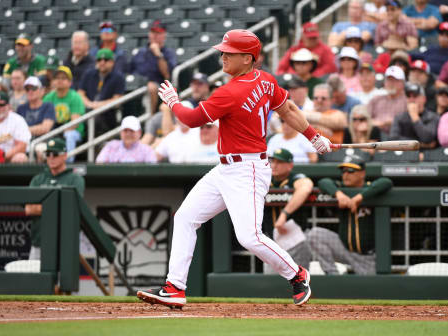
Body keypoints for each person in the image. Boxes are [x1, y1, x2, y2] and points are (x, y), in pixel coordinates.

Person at [136, 29, 332, 309]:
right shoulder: (264, 80)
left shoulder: (231, 91)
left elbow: (191, 119)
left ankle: (297, 274)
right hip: (226, 168)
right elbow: (287, 109)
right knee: (185, 218)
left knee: (249, 237)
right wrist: (314, 136)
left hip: (248, 169)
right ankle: (175, 287)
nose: (223, 56)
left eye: (229, 52)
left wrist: (173, 103)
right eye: (223, 51)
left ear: (248, 58)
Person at [312, 155, 393, 274]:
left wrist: (359, 198)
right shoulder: (340, 188)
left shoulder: (370, 188)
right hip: (343, 248)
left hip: (366, 256)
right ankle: (333, 275)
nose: (346, 174)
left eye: (351, 171)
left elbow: (386, 182)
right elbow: (323, 182)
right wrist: (338, 194)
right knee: (314, 235)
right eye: (343, 171)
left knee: (370, 291)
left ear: (362, 173)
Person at [25, 137, 85, 260]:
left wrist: (42, 207)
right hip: (39, 242)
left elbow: (71, 208)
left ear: (65, 156)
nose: (51, 157)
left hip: (64, 243)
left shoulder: (75, 179)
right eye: (48, 154)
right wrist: (57, 206)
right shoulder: (38, 179)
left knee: (62, 279)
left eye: (55, 154)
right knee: (35, 278)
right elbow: (29, 209)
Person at [129, 20, 177, 115]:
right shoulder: (140, 52)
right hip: (138, 86)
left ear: (164, 35)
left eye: (158, 33)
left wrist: (158, 54)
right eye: (153, 32)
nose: (155, 35)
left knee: (151, 87)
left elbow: (167, 75)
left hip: (158, 88)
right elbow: (130, 71)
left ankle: (150, 117)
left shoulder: (168, 53)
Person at [267, 148, 314, 237]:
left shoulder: (295, 178)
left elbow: (305, 188)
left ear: (290, 165)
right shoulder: (265, 180)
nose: (274, 165)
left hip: (296, 238)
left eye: (279, 162)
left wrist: (284, 214)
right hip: (269, 238)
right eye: (272, 161)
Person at [78, 48, 125, 135]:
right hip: (88, 109)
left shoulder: (118, 77)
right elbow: (80, 93)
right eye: (99, 60)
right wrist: (89, 104)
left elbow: (117, 100)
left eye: (106, 60)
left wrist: (98, 105)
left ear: (112, 62)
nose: (102, 62)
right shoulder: (89, 74)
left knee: (95, 118)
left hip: (107, 114)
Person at [43, 66, 86, 161]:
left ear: (70, 82)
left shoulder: (75, 97)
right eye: (57, 78)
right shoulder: (48, 97)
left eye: (63, 78)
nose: (59, 81)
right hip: (54, 130)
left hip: (73, 131)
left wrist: (58, 132)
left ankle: (67, 163)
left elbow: (75, 123)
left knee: (69, 135)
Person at [389, 83, 439, 149]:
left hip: (427, 156)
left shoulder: (433, 117)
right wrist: (421, 145)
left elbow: (428, 138)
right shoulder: (399, 117)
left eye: (415, 96)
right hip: (404, 155)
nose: (411, 99)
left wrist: (415, 117)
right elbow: (393, 139)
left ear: (424, 99)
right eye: (408, 96)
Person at [0, 91, 30, 163]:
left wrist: (3, 156)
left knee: (20, 158)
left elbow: (22, 146)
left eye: (1, 105)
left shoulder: (17, 120)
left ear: (8, 106)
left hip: (9, 157)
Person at [367, 65, 408, 134]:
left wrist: (392, 122)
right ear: (384, 82)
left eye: (395, 80)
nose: (391, 83)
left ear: (403, 83)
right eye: (389, 80)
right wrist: (380, 123)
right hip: (376, 136)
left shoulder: (407, 101)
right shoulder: (376, 99)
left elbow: (409, 123)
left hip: (399, 138)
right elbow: (364, 119)